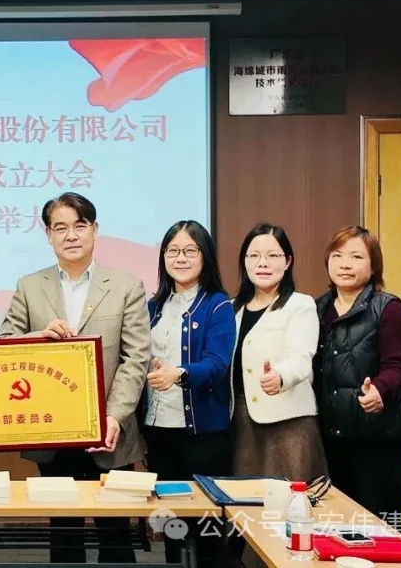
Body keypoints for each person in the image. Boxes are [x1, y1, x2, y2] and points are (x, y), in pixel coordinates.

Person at [0, 192, 149, 564]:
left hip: (111, 430)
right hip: (52, 429)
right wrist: (38, 336)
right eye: (60, 227)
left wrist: (114, 416)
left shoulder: (126, 285)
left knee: (115, 534)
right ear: (48, 234)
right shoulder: (30, 286)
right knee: (64, 532)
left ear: (95, 230)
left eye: (80, 226)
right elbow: (4, 345)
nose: (71, 235)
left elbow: (135, 358)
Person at [137, 220, 233, 568]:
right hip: (158, 429)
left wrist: (179, 374)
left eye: (190, 251)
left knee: (207, 524)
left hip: (202, 433)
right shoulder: (153, 306)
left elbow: (217, 364)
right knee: (171, 521)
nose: (181, 258)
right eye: (173, 251)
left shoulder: (218, 305)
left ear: (205, 256)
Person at [314, 225, 401, 536]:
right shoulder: (317, 309)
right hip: (332, 439)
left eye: (356, 256)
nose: (345, 264)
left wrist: (380, 391)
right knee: (340, 531)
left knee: (384, 531)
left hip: (379, 440)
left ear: (374, 266)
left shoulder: (389, 309)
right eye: (337, 256)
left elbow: (398, 366)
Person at [230, 223, 326, 481]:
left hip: (289, 424)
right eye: (254, 255)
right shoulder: (231, 309)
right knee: (246, 501)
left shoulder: (300, 305)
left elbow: (301, 356)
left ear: (288, 261)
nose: (263, 263)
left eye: (273, 255)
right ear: (244, 261)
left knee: (292, 501)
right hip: (240, 424)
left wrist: (281, 376)